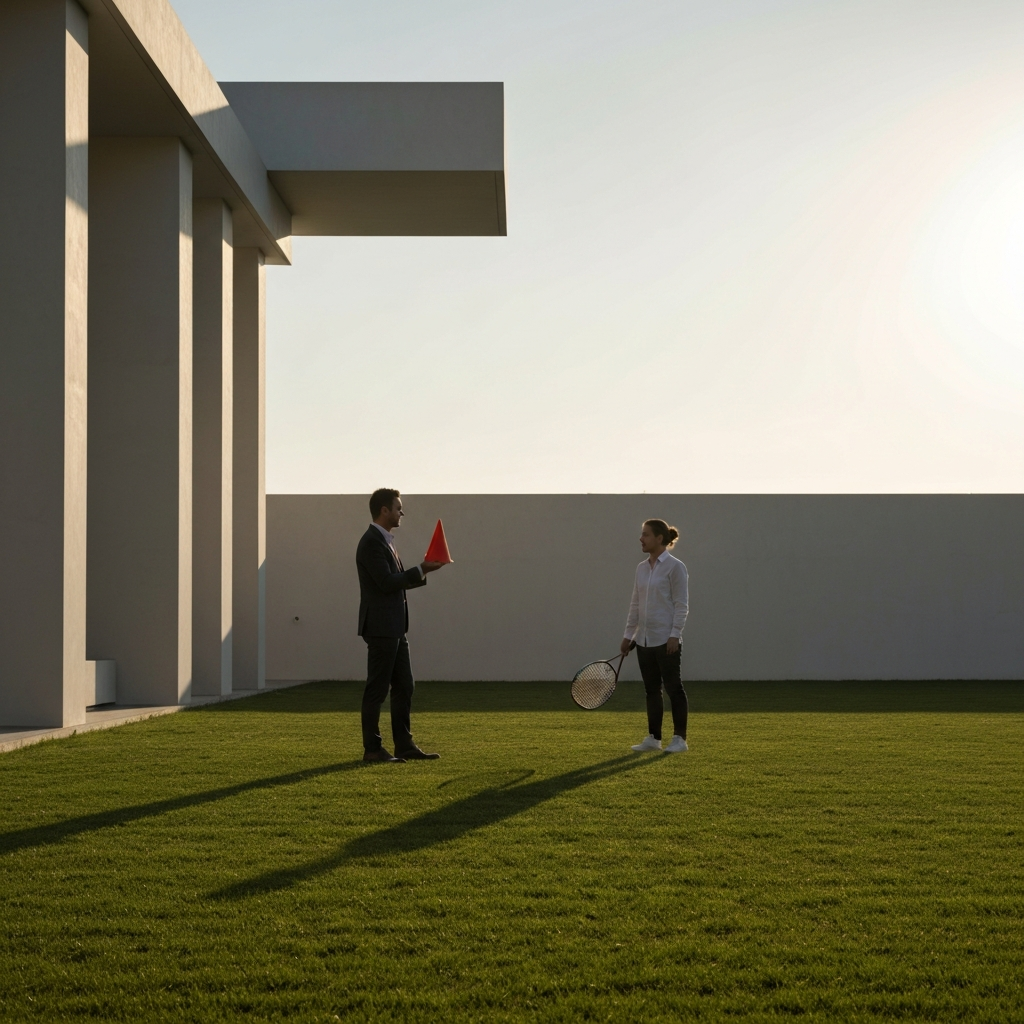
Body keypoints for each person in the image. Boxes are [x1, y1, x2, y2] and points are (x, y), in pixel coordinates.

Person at [356, 488, 446, 762]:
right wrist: (422, 569)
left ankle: (404, 745)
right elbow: (386, 583)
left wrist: (423, 571)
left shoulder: (385, 541)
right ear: (384, 510)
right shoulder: (372, 542)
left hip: (395, 627)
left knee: (404, 686)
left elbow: (393, 581)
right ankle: (372, 749)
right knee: (377, 690)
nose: (401, 512)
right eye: (398, 508)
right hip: (382, 628)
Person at [621, 519, 689, 754]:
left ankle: (680, 739)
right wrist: (629, 635)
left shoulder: (675, 567)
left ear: (659, 538)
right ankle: (654, 738)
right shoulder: (641, 568)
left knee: (674, 689)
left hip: (666, 640)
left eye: (646, 535)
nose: (641, 539)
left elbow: (681, 605)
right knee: (651, 690)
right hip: (644, 641)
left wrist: (674, 635)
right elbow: (635, 603)